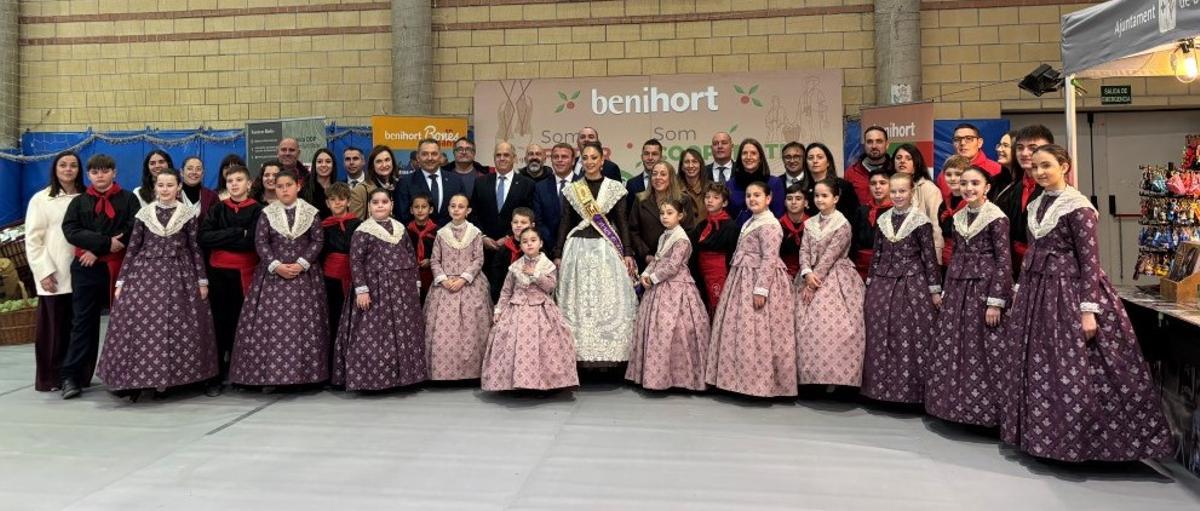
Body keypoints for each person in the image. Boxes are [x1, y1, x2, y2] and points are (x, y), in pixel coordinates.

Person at [1000, 145, 1174, 462]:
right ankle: (1044, 439)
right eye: (1035, 167)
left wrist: (1088, 310)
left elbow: (1090, 262)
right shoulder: (1037, 203)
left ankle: (1086, 443)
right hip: (1038, 294)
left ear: (1064, 166)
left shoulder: (1078, 208)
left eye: (1046, 165)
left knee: (1076, 369)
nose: (1039, 172)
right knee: (1042, 366)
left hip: (1069, 293)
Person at [96, 169, 217, 400]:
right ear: (155, 187)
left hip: (180, 274)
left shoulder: (187, 214)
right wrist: (122, 280)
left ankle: (174, 379)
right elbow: (133, 248)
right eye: (161, 185)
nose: (165, 189)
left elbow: (194, 248)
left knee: (179, 324)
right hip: (145, 276)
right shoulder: (144, 214)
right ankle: (137, 378)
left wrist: (202, 280)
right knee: (144, 326)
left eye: (170, 185)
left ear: (178, 187)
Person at [925, 167, 1011, 428]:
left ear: (987, 187)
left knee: (986, 349)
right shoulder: (959, 216)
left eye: (975, 183)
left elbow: (1004, 261)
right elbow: (956, 255)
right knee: (956, 346)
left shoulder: (996, 217)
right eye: (964, 183)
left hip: (984, 288)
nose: (969, 188)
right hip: (958, 288)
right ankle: (957, 408)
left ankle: (991, 414)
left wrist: (995, 301)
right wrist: (947, 288)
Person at [229, 171, 329, 389]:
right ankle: (269, 376)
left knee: (303, 324)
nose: (284, 189)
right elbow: (261, 242)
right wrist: (276, 265)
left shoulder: (311, 213)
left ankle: (306, 376)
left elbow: (317, 240)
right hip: (273, 277)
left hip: (305, 276)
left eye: (288, 185)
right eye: (280, 186)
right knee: (272, 326)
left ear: (298, 186)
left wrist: (302, 263)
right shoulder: (267, 213)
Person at [705, 182, 798, 397]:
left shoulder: (770, 224)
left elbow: (769, 259)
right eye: (749, 195)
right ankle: (738, 380)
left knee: (759, 331)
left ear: (768, 198)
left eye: (757, 195)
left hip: (759, 279)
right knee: (742, 330)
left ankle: (760, 384)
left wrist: (761, 289)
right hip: (743, 278)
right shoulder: (751, 221)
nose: (752, 199)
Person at [331, 188, 428, 391]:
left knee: (404, 332)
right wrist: (362, 290)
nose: (380, 205)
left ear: (392, 204)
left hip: (402, 290)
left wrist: (415, 283)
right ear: (369, 206)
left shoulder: (400, 229)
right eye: (375, 202)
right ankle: (373, 379)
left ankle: (404, 377)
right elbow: (356, 261)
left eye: (384, 201)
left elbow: (411, 258)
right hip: (376, 290)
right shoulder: (363, 231)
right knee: (374, 334)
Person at [60, 154, 137, 399]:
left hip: (119, 267)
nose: (100, 175)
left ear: (114, 172)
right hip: (86, 267)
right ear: (88, 175)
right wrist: (102, 244)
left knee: (123, 323)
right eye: (95, 172)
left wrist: (99, 249)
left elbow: (134, 228)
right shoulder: (79, 202)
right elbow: (71, 230)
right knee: (83, 322)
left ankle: (123, 376)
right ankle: (73, 377)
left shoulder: (129, 199)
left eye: (105, 171)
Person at [554, 141, 638, 365]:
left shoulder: (614, 188)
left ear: (602, 161)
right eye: (585, 158)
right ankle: (578, 355)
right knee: (579, 303)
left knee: (607, 301)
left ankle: (610, 356)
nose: (589, 162)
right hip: (577, 250)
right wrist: (558, 253)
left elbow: (622, 222)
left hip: (605, 250)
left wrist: (627, 252)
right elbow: (565, 222)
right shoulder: (573, 189)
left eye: (594, 158)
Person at [861, 173, 941, 405]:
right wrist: (870, 282)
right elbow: (877, 254)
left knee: (908, 335)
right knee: (878, 335)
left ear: (912, 192)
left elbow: (929, 257)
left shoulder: (920, 221)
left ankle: (909, 393)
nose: (897, 195)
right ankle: (878, 391)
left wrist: (934, 290)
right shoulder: (883, 219)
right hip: (882, 284)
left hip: (911, 284)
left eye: (902, 191)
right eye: (894, 191)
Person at [627, 198, 709, 391]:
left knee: (675, 328)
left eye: (670, 213)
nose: (665, 217)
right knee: (658, 329)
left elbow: (673, 266)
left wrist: (653, 278)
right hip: (659, 286)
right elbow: (657, 259)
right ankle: (657, 375)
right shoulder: (664, 236)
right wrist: (646, 274)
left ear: (680, 216)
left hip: (676, 286)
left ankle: (681, 377)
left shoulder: (681, 239)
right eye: (662, 213)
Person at [482, 228, 579, 392]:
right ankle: (517, 383)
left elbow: (550, 286)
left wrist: (536, 274)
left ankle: (544, 384)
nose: (529, 244)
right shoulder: (515, 267)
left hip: (540, 308)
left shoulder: (547, 265)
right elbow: (506, 291)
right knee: (512, 342)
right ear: (521, 246)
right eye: (525, 241)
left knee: (546, 344)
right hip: (517, 308)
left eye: (533, 240)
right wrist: (498, 311)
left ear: (540, 243)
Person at [197, 165, 264, 396]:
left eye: (239, 180)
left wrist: (225, 238)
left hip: (246, 274)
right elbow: (204, 237)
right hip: (218, 275)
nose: (234, 184)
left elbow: (252, 241)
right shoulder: (217, 209)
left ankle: (242, 375)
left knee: (242, 325)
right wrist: (237, 232)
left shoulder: (258, 210)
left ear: (249, 184)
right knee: (218, 325)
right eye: (230, 181)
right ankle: (214, 377)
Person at [794, 178, 865, 390]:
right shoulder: (810, 223)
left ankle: (835, 381)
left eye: (825, 196)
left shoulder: (842, 224)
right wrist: (806, 272)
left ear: (835, 198)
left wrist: (813, 282)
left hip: (834, 277)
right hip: (809, 275)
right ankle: (809, 378)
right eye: (817, 195)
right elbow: (804, 250)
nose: (820, 199)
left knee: (835, 327)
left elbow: (830, 256)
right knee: (804, 327)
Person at [26, 151, 84, 392]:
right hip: (54, 273)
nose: (68, 169)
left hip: (81, 272)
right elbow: (33, 240)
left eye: (73, 165)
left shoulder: (85, 197)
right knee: (53, 331)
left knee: (77, 330)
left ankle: (77, 377)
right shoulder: (41, 199)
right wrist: (44, 272)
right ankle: (50, 378)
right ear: (55, 169)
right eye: (63, 165)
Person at [424, 194, 492, 381]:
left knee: (471, 329)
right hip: (445, 285)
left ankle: (472, 372)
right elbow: (435, 260)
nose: (456, 209)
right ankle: (442, 372)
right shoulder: (441, 234)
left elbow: (478, 259)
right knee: (443, 331)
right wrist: (443, 279)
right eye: (453, 206)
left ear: (468, 210)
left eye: (461, 206)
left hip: (469, 284)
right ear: (448, 209)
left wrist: (463, 278)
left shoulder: (475, 233)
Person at [472, 141, 536, 301]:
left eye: (506, 155)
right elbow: (473, 214)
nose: (502, 158)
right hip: (484, 250)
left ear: (514, 158)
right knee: (485, 296)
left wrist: (508, 237)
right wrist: (483, 236)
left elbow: (528, 216)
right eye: (498, 155)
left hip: (514, 251)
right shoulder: (480, 182)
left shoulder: (527, 184)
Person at [993, 125, 1051, 277]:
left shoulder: (1058, 191)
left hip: (1047, 271)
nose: (1024, 153)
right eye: (1019, 148)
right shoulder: (1011, 189)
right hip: (1013, 269)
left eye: (1033, 148)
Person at [629, 161, 695, 272]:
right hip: (646, 262)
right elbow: (633, 230)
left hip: (675, 263)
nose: (658, 177)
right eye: (654, 174)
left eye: (663, 174)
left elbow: (688, 231)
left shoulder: (683, 200)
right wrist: (646, 255)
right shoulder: (640, 199)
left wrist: (673, 256)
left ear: (671, 178)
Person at [319, 183, 360, 347]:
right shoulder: (322, 227)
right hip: (330, 280)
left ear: (348, 202)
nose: (337, 203)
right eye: (333, 199)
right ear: (327, 203)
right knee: (333, 317)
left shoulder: (358, 225)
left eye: (342, 199)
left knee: (354, 318)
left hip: (354, 278)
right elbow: (319, 255)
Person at [689, 183, 737, 316]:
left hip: (721, 273)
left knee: (720, 308)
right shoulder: (701, 225)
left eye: (715, 197)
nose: (710, 200)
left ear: (724, 203)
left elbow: (732, 255)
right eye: (707, 197)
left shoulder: (731, 226)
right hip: (701, 273)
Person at [892, 144, 943, 265]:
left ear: (916, 164)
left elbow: (936, 226)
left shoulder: (929, 189)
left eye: (908, 158)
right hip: (895, 256)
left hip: (921, 257)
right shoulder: (888, 186)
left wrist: (935, 261)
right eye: (898, 158)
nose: (902, 161)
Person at [399, 139, 466, 225]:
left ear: (440, 156)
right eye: (425, 154)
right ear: (418, 157)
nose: (430, 158)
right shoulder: (405, 182)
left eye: (434, 154)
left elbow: (463, 210)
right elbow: (403, 216)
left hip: (451, 232)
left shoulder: (456, 181)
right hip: (418, 233)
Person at [801, 143, 861, 233]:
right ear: (806, 163)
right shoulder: (801, 188)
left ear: (828, 162)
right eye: (810, 158)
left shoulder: (843, 186)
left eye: (820, 157)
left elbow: (854, 216)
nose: (815, 161)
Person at [937, 123, 1001, 199]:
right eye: (957, 139)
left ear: (979, 143)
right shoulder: (945, 174)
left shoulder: (996, 170)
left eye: (968, 138)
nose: (962, 143)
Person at [726, 138, 782, 221]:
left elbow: (779, 215)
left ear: (760, 158)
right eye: (744, 153)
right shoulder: (730, 185)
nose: (748, 157)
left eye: (753, 153)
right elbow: (727, 216)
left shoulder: (774, 183)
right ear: (740, 158)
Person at [532, 143, 576, 250]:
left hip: (577, 246)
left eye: (564, 157)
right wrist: (554, 245)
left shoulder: (583, 184)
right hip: (549, 247)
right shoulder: (540, 187)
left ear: (573, 161)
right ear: (551, 160)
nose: (559, 160)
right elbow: (538, 221)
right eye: (556, 157)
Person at [853, 168, 892, 280]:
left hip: (887, 267)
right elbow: (853, 240)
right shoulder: (862, 210)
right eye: (873, 183)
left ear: (891, 186)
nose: (877, 187)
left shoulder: (896, 212)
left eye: (882, 183)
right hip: (861, 266)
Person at [350, 145, 402, 220]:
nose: (384, 165)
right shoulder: (359, 191)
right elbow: (355, 224)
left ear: (393, 162)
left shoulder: (401, 186)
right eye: (379, 161)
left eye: (387, 160)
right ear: (372, 166)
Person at [845, 126, 893, 206]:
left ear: (887, 145)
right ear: (864, 145)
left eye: (879, 141)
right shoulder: (851, 173)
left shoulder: (895, 170)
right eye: (869, 142)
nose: (874, 146)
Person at [937, 156, 970, 265]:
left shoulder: (972, 203)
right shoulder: (943, 205)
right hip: (947, 261)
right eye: (948, 174)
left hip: (968, 262)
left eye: (958, 174)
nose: (953, 178)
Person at [406, 194, 438, 301]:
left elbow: (443, 254)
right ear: (411, 210)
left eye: (424, 207)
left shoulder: (438, 232)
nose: (420, 210)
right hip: (411, 275)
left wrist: (431, 260)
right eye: (416, 207)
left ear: (430, 210)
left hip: (432, 275)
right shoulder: (405, 231)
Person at [778, 184, 809, 279]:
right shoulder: (777, 226)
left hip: (807, 273)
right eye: (789, 199)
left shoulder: (812, 225)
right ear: (785, 202)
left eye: (798, 199)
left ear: (806, 203)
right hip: (782, 273)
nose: (793, 202)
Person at [300, 148, 337, 218]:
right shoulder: (304, 191)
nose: (324, 165)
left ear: (333, 165)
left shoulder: (339, 189)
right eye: (319, 162)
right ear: (314, 165)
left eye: (328, 161)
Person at [677, 147, 710, 225]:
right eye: (687, 162)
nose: (691, 165)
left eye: (694, 161)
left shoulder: (710, 188)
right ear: (682, 167)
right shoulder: (674, 189)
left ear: (700, 165)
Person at [625, 139, 662, 207]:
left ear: (661, 157)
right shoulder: (632, 184)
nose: (650, 158)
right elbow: (629, 211)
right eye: (646, 154)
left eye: (654, 154)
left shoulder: (669, 182)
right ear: (642, 157)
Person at [987, 131, 1016, 199]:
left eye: (1005, 145)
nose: (999, 149)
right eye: (999, 145)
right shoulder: (995, 181)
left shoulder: (1024, 183)